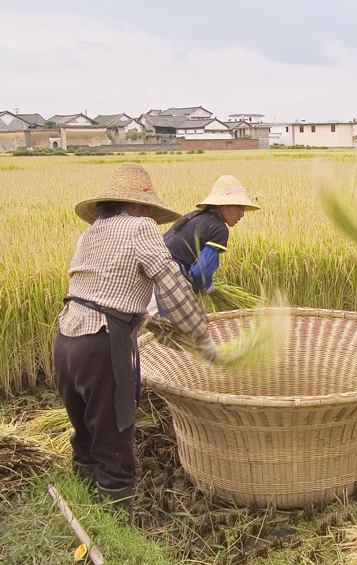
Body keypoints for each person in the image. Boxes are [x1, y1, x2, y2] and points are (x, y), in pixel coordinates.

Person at [54, 163, 216, 518]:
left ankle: (83, 499)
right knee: (114, 428)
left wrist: (155, 324)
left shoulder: (93, 231)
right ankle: (115, 519)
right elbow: (170, 282)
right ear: (140, 206)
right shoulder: (140, 227)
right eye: (149, 210)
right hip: (100, 341)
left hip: (66, 338)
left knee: (85, 426)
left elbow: (111, 290)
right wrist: (201, 333)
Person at [163, 174, 260, 294]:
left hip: (151, 275)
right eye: (239, 207)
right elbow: (201, 272)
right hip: (166, 283)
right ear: (224, 205)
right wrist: (207, 287)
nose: (242, 214)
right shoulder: (219, 229)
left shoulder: (194, 216)